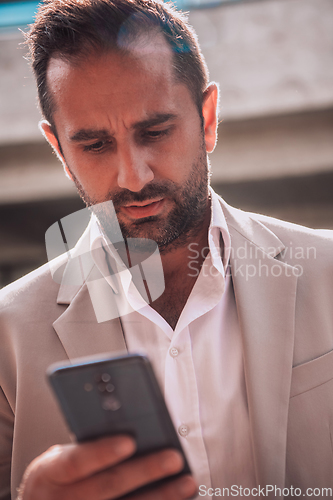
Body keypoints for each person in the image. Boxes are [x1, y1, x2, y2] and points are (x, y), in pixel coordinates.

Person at [1, 0, 333, 499]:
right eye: (94, 145)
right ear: (60, 153)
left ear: (208, 117)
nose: (133, 176)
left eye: (155, 131)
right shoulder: (5, 335)